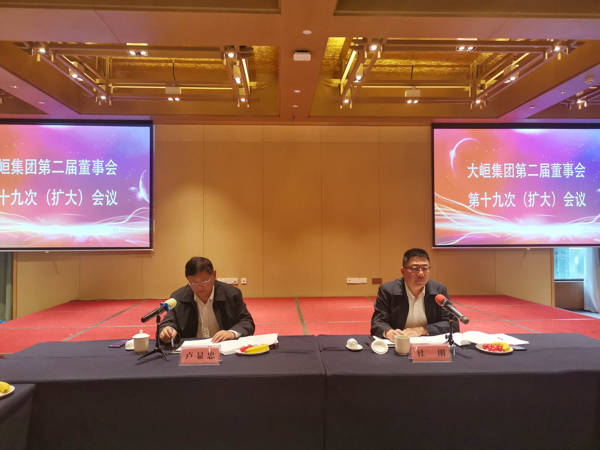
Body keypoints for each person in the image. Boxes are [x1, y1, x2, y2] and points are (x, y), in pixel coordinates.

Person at [159, 257, 255, 344]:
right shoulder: (178, 297)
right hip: (191, 350)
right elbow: (168, 322)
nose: (199, 287)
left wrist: (231, 333)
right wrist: (167, 331)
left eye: (204, 281)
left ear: (214, 275)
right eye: (194, 283)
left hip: (223, 348)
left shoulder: (231, 294)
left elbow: (247, 322)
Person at [370, 248, 459, 340]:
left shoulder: (439, 290)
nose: (421, 273)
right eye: (415, 269)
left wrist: (423, 330)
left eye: (425, 268)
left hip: (428, 344)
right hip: (398, 343)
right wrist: (389, 332)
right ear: (403, 271)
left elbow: (453, 323)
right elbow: (378, 322)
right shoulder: (388, 290)